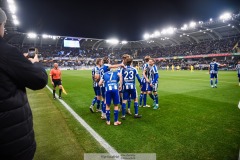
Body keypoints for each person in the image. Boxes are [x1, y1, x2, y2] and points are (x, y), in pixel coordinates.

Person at [0, 8, 48, 160]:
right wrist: (35, 63)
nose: (4, 30)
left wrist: (18, 59)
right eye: (4, 25)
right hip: (10, 140)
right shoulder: (5, 51)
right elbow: (39, 80)